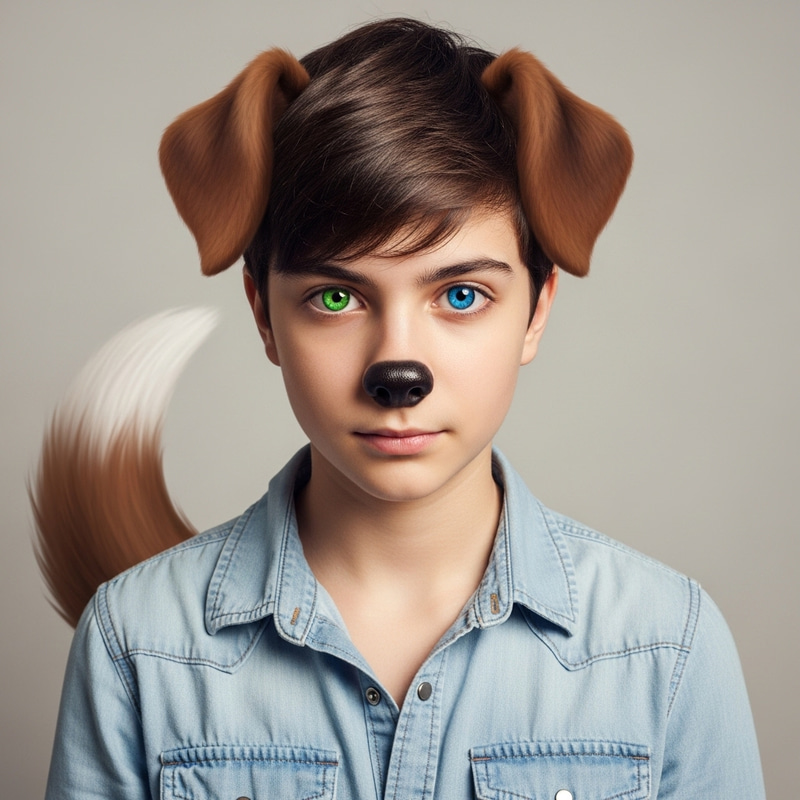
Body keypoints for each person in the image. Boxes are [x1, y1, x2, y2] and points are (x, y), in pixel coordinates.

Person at [40, 18, 765, 798]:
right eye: (335, 295)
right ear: (262, 315)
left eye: (461, 295)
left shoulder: (666, 645)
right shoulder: (133, 643)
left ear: (537, 309)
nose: (398, 369)